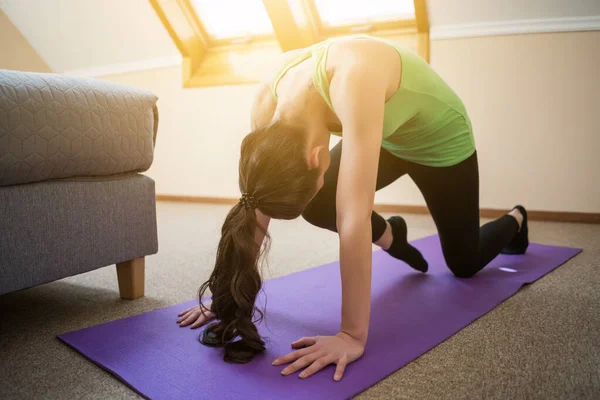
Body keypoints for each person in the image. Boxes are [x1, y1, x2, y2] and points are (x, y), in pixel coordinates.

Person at [175, 34, 529, 381]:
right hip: (385, 132)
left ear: (315, 157)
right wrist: (229, 300)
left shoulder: (354, 79)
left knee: (463, 264)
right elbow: (254, 203)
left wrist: (351, 335)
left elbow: (353, 217)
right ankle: (393, 235)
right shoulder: (267, 105)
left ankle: (516, 219)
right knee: (318, 204)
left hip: (439, 140)